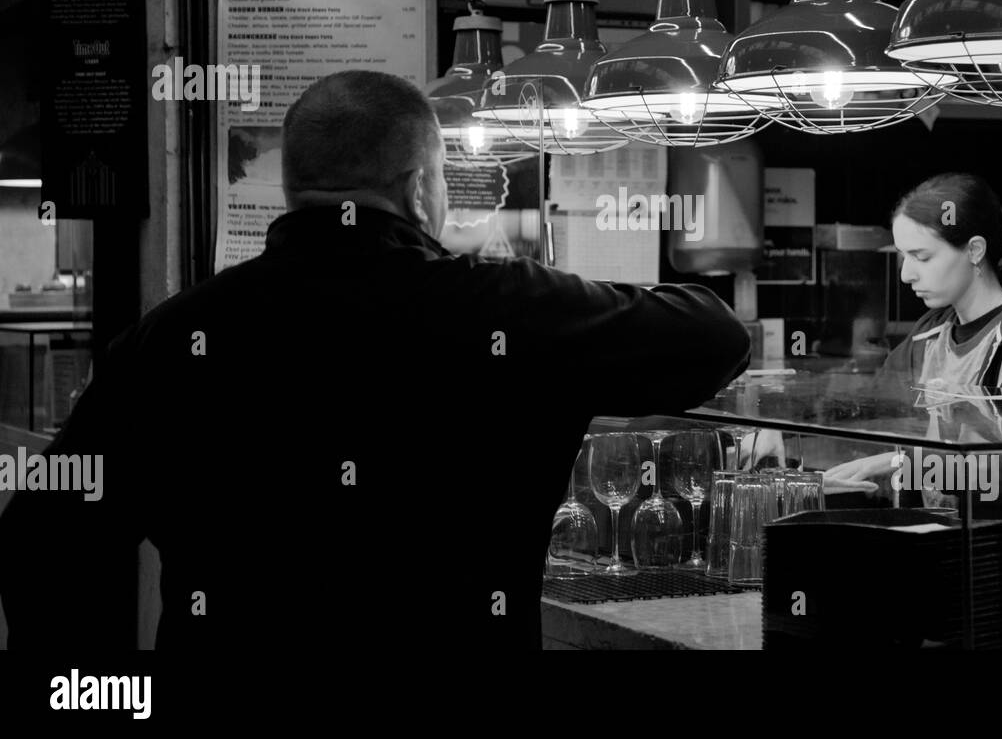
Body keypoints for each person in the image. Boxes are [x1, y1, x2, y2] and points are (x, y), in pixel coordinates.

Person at [0, 70, 750, 655]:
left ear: (295, 189)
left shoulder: (170, 338)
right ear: (422, 186)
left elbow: (41, 542)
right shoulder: (511, 310)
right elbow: (715, 337)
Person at [823, 173, 1002, 522]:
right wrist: (781, 429)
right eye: (904, 256)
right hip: (945, 547)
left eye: (922, 256)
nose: (906, 275)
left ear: (975, 250)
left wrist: (906, 464)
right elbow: (867, 409)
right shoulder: (929, 336)